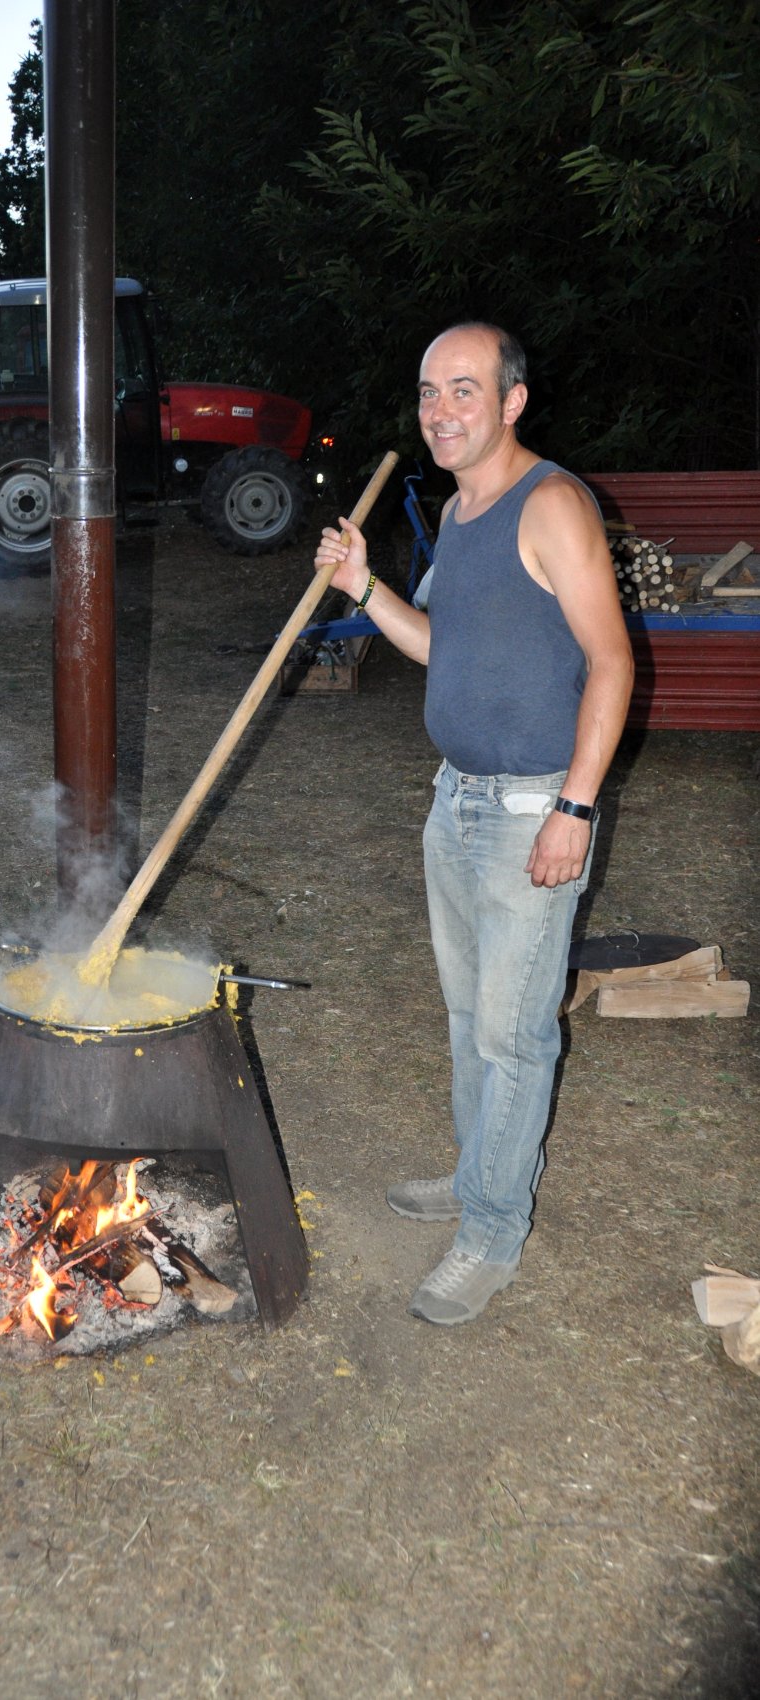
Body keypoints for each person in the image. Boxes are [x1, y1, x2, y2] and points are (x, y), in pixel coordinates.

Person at [314, 323, 634, 1326]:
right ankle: (473, 1176)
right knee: (468, 1020)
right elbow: (436, 644)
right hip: (454, 800)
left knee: (511, 1034)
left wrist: (573, 807)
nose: (439, 410)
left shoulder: (552, 505)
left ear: (509, 400)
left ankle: (491, 1231)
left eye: (462, 389)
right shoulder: (456, 512)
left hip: (531, 806)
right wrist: (363, 586)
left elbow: (612, 663)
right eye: (426, 393)